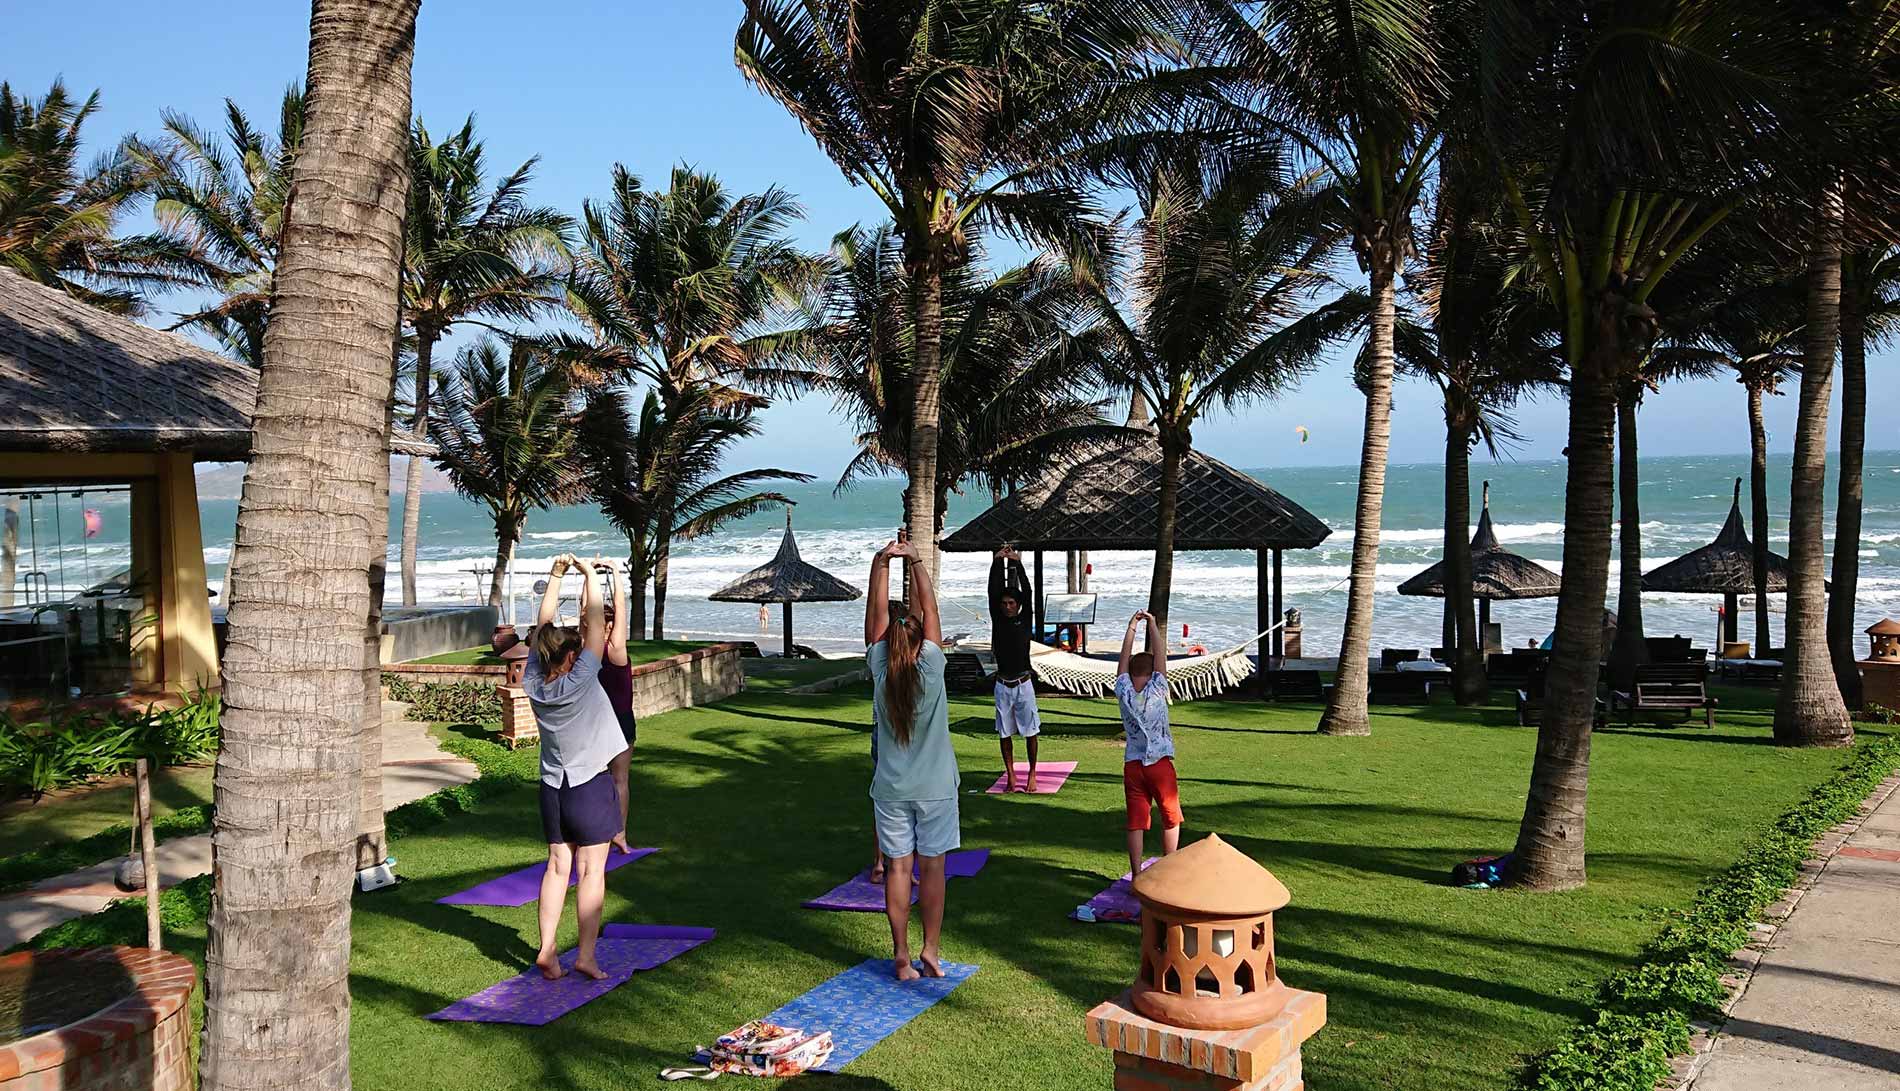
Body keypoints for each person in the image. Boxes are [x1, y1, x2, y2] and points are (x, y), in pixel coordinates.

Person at [522, 553, 629, 981]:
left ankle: (548, 950)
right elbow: (599, 625)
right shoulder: (581, 677)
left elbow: (541, 632)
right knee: (590, 871)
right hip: (588, 786)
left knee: (556, 867)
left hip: (552, 788)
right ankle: (585, 955)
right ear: (569, 659)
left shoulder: (533, 680)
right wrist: (588, 575)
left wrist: (555, 576)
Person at [865, 539, 958, 981]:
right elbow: (932, 609)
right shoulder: (932, 665)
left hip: (891, 788)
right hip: (936, 787)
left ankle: (901, 957)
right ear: (921, 637)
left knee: (900, 868)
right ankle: (931, 950)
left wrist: (880, 565)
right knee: (933, 867)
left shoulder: (881, 669)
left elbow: (876, 621)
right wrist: (917, 560)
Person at [1117, 609, 1182, 880]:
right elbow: (1161, 653)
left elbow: (1123, 661)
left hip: (1133, 765)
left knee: (1136, 823)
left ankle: (1136, 875)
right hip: (1159, 765)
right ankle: (1168, 870)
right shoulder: (1158, 687)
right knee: (1170, 817)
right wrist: (1153, 624)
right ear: (1153, 670)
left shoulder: (1123, 690)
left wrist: (1132, 626)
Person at [592, 559, 636, 855]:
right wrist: (605, 574)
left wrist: (598, 576)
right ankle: (612, 834)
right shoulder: (605, 647)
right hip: (608, 721)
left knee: (609, 779)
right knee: (610, 779)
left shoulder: (596, 649)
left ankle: (614, 834)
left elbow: (615, 611)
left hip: (608, 721)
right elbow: (609, 611)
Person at [989, 546, 1041, 791]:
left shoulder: (1024, 617)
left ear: (1018, 606)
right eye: (1004, 603)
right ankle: (1011, 775)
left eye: (1011, 603)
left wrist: (1017, 563)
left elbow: (1028, 592)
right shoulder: (998, 619)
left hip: (1023, 683)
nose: (1007, 606)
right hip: (1002, 685)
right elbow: (992, 592)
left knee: (1030, 731)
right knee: (1004, 733)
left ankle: (1031, 773)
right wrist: (998, 562)